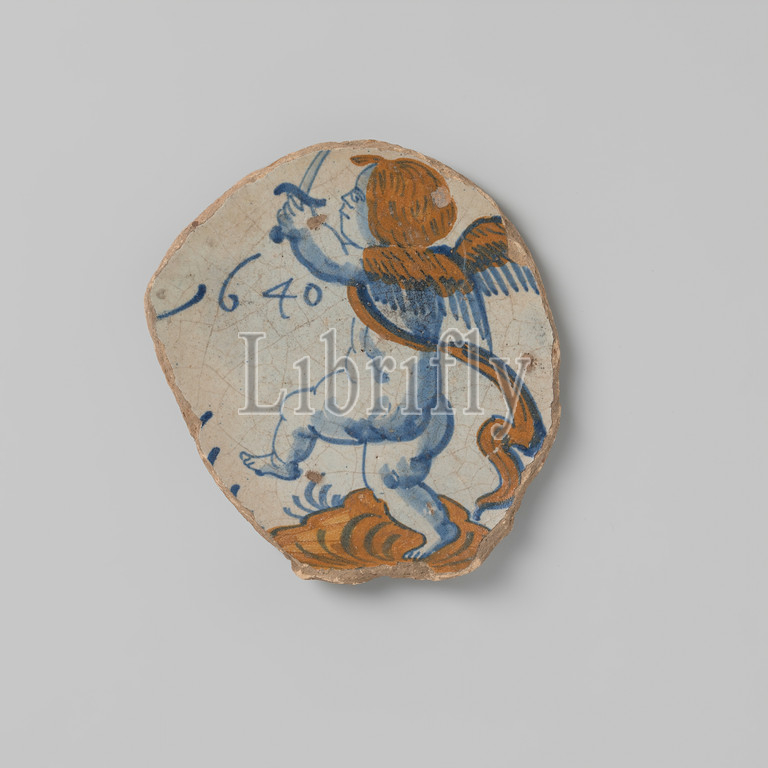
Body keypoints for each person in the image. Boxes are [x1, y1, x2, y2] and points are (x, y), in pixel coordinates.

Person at [241, 153, 544, 559]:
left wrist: (299, 233)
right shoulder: (426, 265)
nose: (346, 202)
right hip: (426, 409)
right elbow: (345, 249)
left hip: (387, 406)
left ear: (387, 219)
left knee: (299, 411)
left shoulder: (389, 267)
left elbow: (331, 262)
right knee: (392, 478)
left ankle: (285, 464)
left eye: (357, 198)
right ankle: (441, 530)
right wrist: (310, 225)